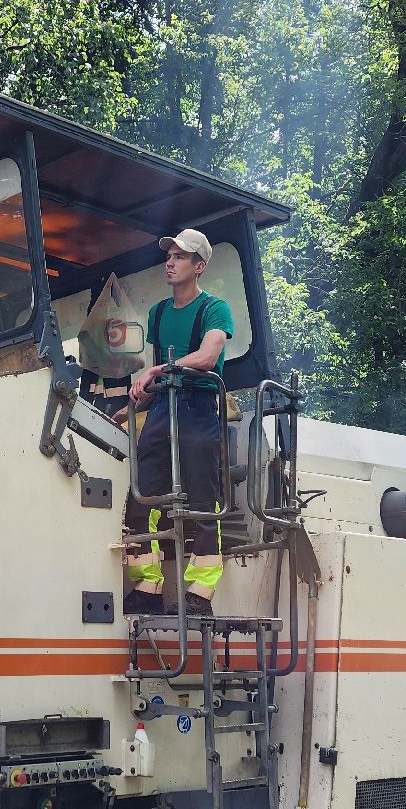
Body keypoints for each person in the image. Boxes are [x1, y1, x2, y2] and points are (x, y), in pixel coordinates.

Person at [118, 229, 233, 616]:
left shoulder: (215, 309)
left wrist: (157, 370)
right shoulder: (158, 314)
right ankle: (148, 586)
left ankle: (200, 593)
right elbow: (158, 378)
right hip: (162, 410)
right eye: (168, 255)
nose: (169, 261)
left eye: (180, 256)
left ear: (199, 266)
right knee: (142, 498)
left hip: (198, 408)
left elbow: (207, 356)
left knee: (203, 503)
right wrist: (132, 406)